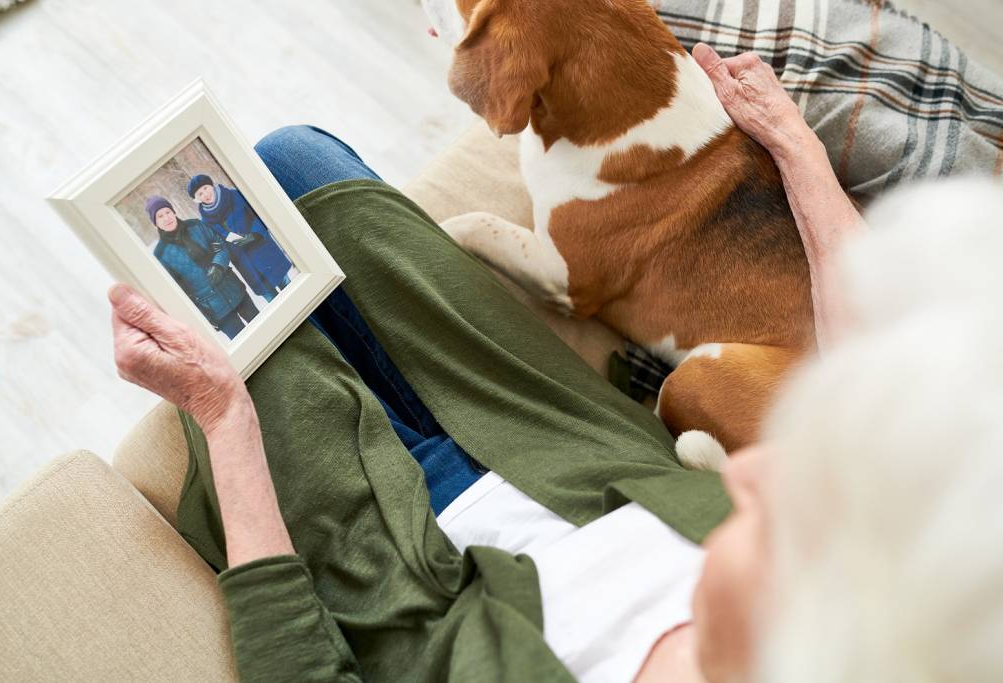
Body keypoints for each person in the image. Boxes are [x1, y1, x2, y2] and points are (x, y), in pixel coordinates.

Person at [109, 45, 1003, 683]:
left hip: (386, 562)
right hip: (551, 425)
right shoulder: (875, 618)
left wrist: (228, 421)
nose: (758, 470)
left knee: (192, 246)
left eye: (767, 516)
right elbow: (866, 384)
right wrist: (797, 150)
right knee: (294, 164)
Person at [147, 196, 259, 341]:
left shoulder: (196, 225)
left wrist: (218, 265)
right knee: (245, 343)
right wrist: (204, 316)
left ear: (173, 212)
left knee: (262, 327)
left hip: (234, 290)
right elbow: (180, 291)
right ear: (155, 223)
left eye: (168, 212)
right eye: (160, 216)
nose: (166, 218)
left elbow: (221, 246)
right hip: (215, 309)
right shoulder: (161, 254)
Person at [188, 174, 293, 303]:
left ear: (211, 185)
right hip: (247, 265)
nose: (205, 194)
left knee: (293, 291)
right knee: (276, 304)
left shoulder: (235, 195)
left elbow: (258, 215)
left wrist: (254, 235)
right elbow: (218, 245)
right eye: (200, 194)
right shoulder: (205, 222)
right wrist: (219, 248)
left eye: (205, 188)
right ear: (197, 199)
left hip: (265, 252)